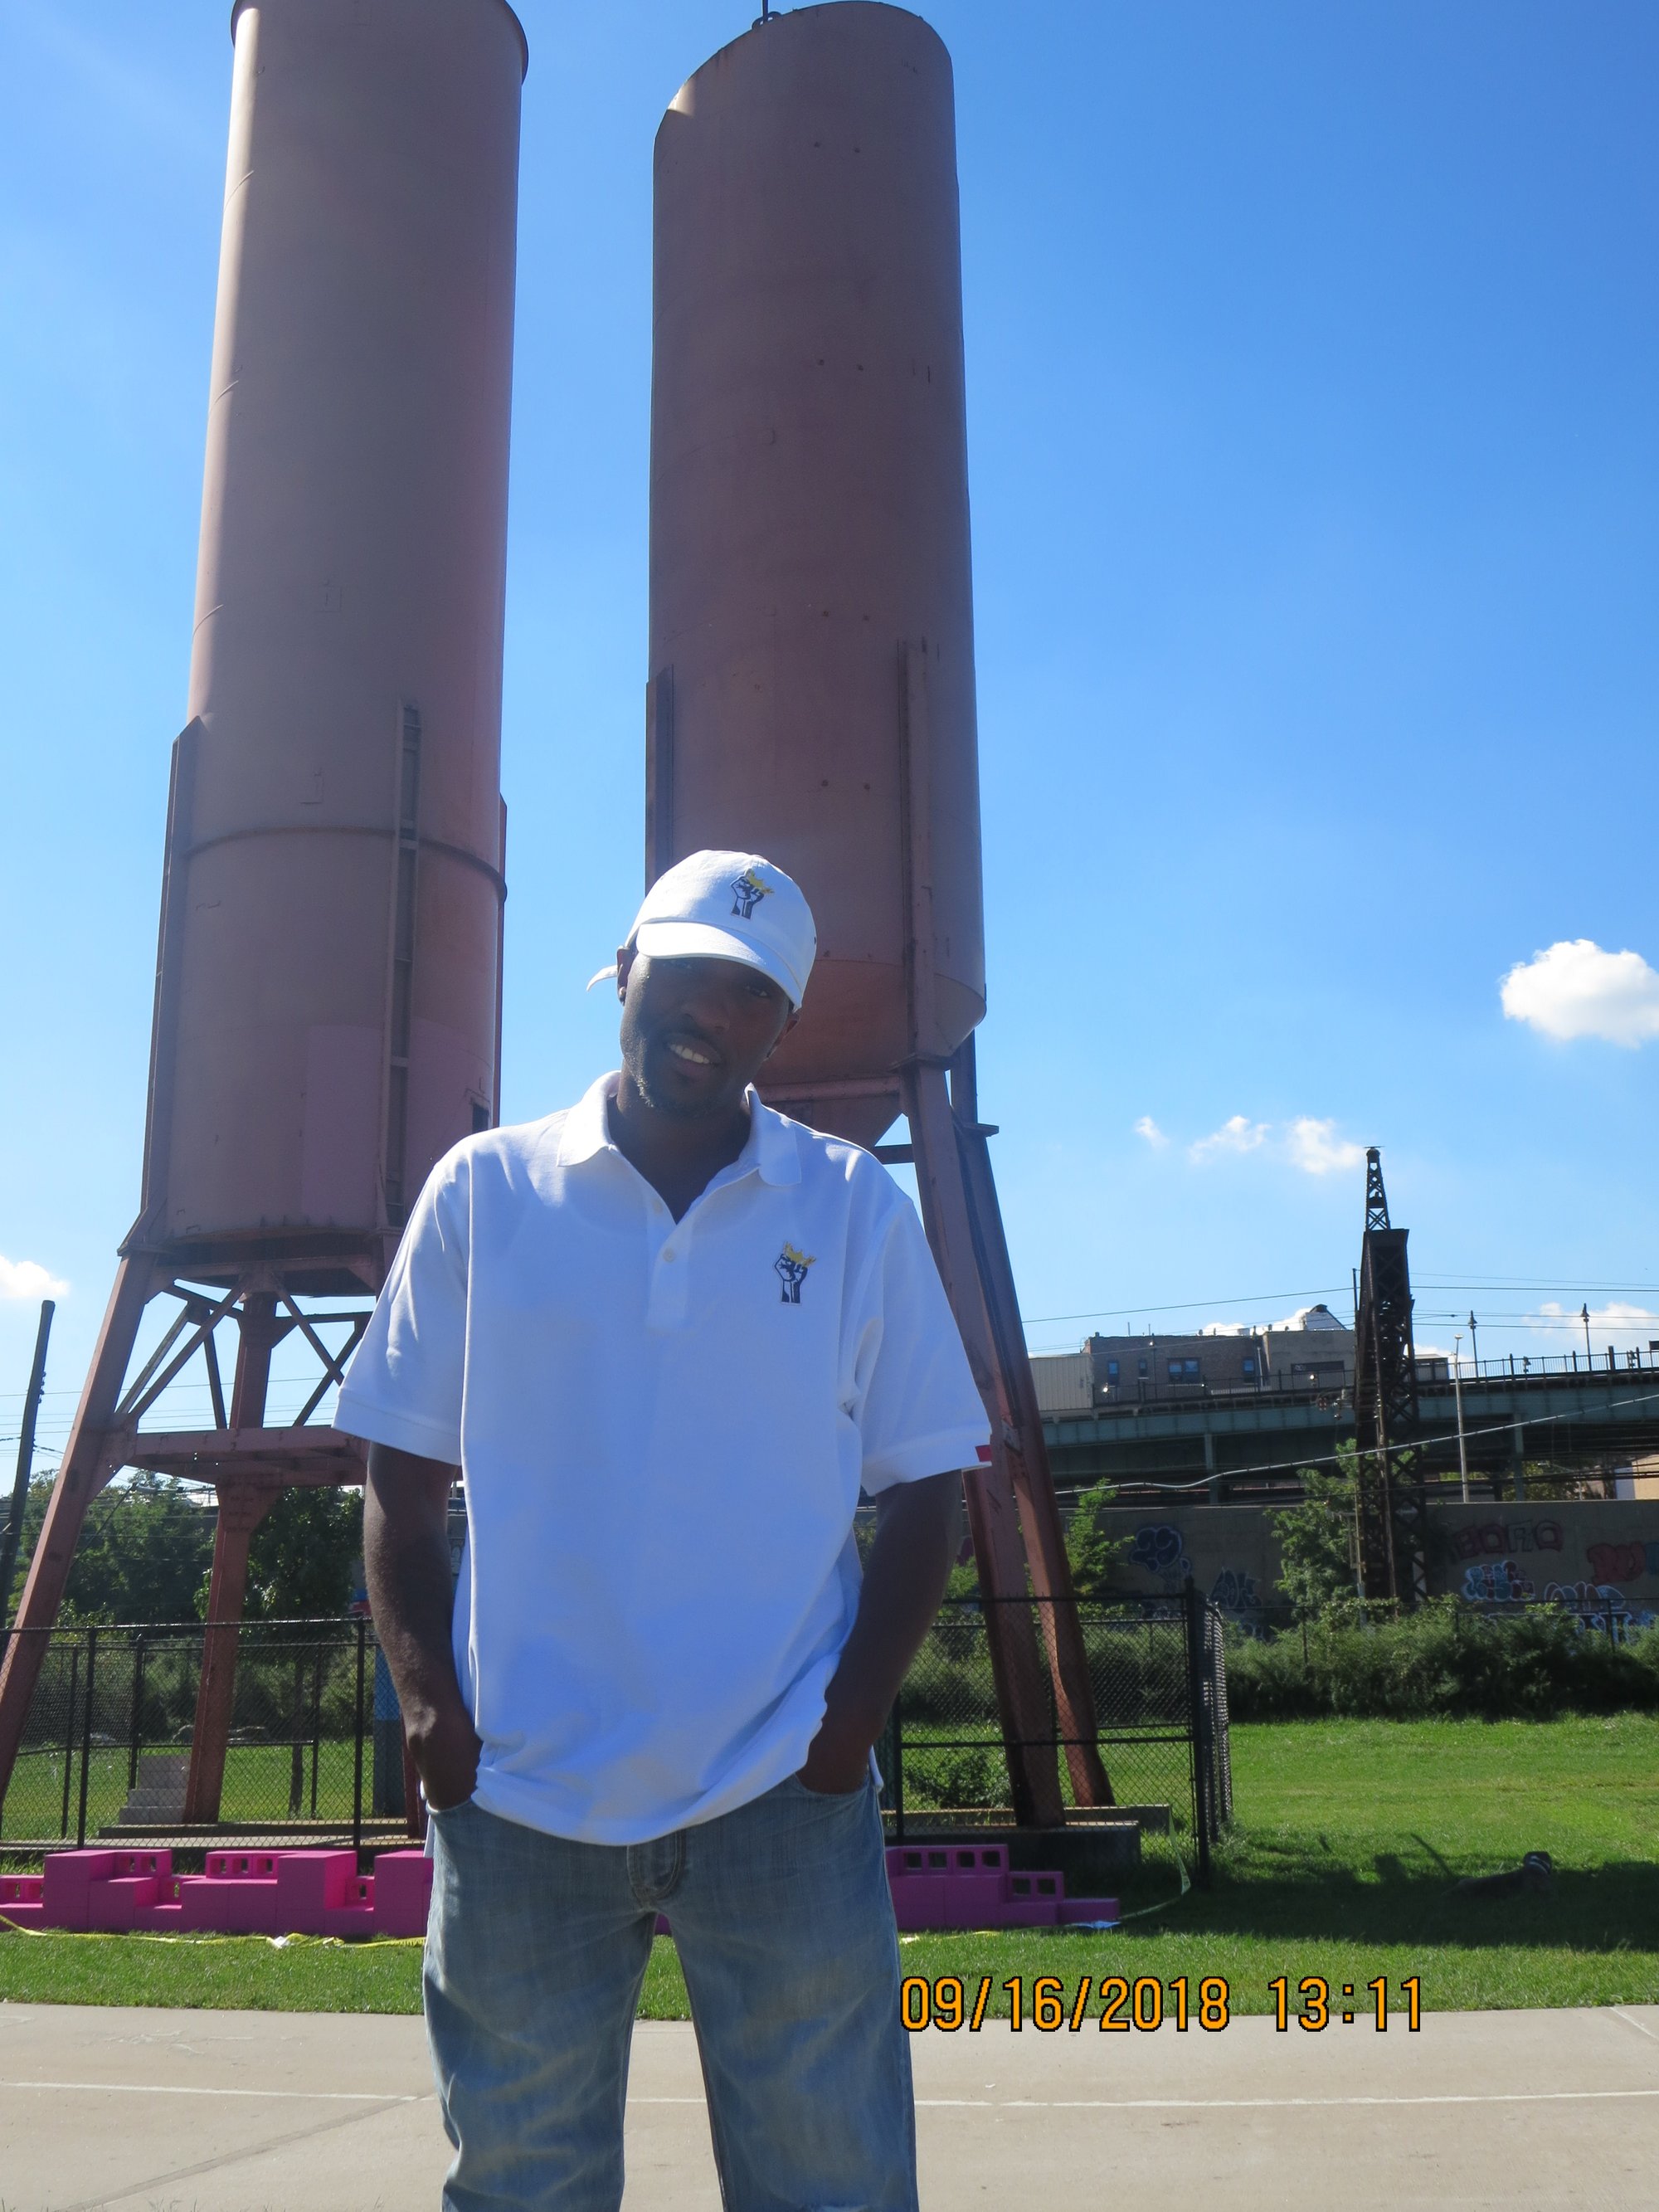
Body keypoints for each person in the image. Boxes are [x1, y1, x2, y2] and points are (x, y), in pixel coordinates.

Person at [334, 848, 990, 2212]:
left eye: (753, 995)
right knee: (521, 2187)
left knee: (833, 2186)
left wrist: (848, 1725)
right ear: (626, 967)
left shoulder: (851, 1206)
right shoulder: (485, 1192)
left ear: (782, 1026)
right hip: (524, 1790)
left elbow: (932, 1483)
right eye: (689, 972)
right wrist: (429, 1706)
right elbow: (401, 1473)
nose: (713, 1014)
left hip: (781, 1790)